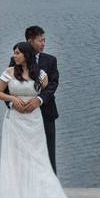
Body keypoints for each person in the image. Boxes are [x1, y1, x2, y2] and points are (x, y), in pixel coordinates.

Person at [0, 41, 74, 198]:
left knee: (37, 156)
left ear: (26, 55)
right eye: (14, 53)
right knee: (15, 157)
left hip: (34, 120)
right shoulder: (8, 72)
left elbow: (46, 92)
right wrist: (13, 100)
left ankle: (39, 195)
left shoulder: (40, 73)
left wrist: (37, 100)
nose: (14, 56)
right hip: (14, 121)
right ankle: (16, 196)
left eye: (17, 53)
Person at [8, 26, 60, 174]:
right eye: (40, 40)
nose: (43, 43)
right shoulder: (15, 60)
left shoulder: (50, 60)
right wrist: (13, 103)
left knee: (48, 153)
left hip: (46, 113)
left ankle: (50, 190)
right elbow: (7, 88)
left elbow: (53, 84)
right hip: (21, 116)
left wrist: (39, 100)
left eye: (44, 40)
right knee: (22, 153)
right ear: (30, 41)